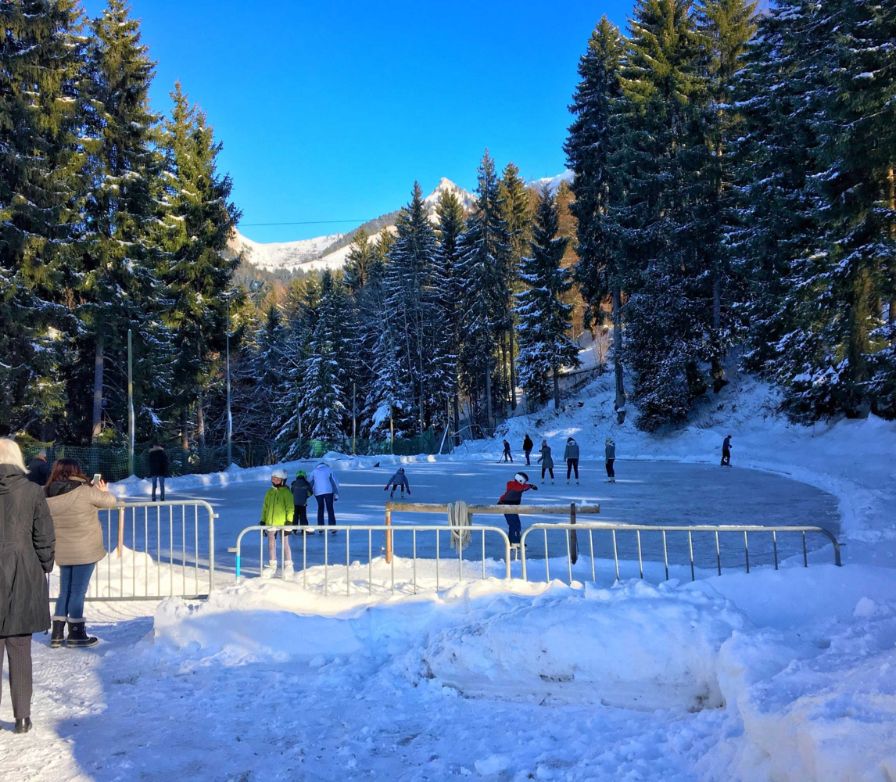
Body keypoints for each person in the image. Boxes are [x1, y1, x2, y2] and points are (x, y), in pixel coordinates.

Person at [0, 438, 55, 734]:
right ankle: (22, 717)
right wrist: (45, 563)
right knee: (20, 648)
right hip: (23, 573)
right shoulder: (32, 491)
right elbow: (43, 535)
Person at [45, 458, 117, 648]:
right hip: (85, 549)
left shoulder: (47, 493)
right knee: (78, 591)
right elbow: (110, 502)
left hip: (62, 549)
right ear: (76, 470)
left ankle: (57, 633)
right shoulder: (85, 491)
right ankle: (76, 634)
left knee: (65, 590)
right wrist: (102, 491)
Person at [260, 469, 294, 577]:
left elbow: (290, 508)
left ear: (282, 480)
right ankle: (272, 565)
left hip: (283, 523)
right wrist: (263, 520)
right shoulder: (269, 492)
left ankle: (289, 565)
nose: (274, 480)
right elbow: (265, 508)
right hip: (271, 522)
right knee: (271, 544)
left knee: (285, 544)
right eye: (273, 478)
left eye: (277, 479)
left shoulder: (286, 492)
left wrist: (289, 521)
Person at [498, 471, 538, 550]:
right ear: (520, 479)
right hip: (507, 506)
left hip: (513, 507)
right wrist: (529, 486)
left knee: (516, 524)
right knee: (514, 525)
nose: (525, 482)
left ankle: (514, 541)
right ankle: (514, 543)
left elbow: (522, 487)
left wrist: (530, 486)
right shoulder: (511, 484)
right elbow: (518, 488)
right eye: (525, 480)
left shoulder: (519, 485)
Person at [310, 462, 340, 533]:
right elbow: (334, 482)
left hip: (318, 492)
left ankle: (321, 527)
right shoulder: (329, 470)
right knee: (330, 508)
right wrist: (336, 493)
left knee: (320, 508)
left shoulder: (314, 471)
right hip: (328, 491)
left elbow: (311, 482)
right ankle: (332, 526)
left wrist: (307, 493)